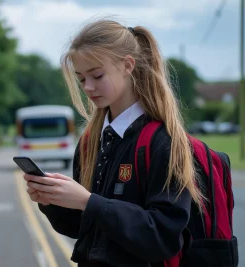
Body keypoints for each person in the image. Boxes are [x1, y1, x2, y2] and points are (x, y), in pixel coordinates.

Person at [23, 18, 204, 267]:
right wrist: (51, 201)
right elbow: (82, 228)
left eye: (97, 75)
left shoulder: (164, 141)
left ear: (128, 65)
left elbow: (162, 237)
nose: (88, 87)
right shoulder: (90, 141)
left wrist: (88, 201)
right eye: (81, 78)